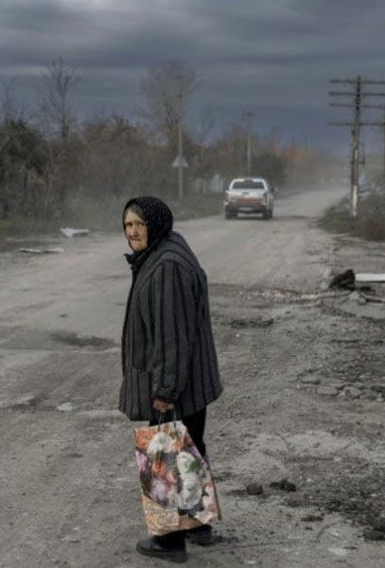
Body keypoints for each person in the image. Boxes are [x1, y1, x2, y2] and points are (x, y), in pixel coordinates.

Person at [119, 196, 223, 563]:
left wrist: (165, 390)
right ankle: (197, 525)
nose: (133, 231)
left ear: (156, 225)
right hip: (191, 379)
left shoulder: (165, 266)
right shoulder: (167, 249)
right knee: (188, 450)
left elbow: (171, 335)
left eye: (139, 224)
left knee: (165, 451)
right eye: (128, 225)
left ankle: (169, 541)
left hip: (177, 381)